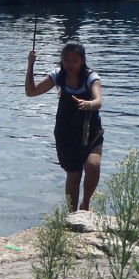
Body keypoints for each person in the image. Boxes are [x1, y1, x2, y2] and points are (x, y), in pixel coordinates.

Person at [26, 42, 104, 211]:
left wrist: (88, 104)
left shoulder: (91, 77)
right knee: (74, 174)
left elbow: (98, 101)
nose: (70, 64)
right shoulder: (58, 76)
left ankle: (86, 203)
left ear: (82, 61)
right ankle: (72, 214)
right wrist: (30, 65)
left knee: (93, 165)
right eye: (66, 60)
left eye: (74, 61)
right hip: (66, 132)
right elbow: (31, 92)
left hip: (90, 130)